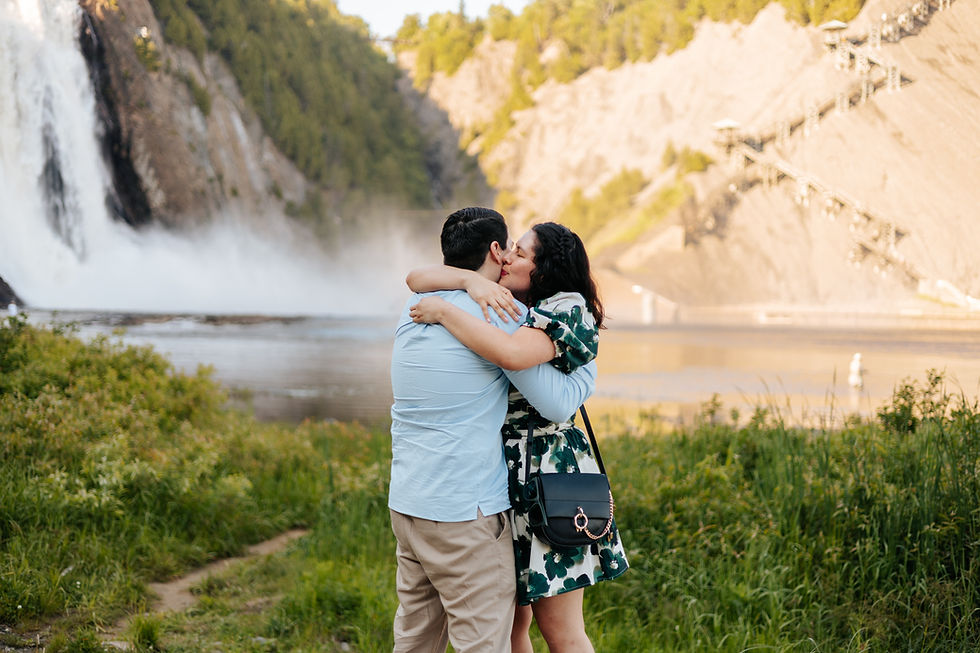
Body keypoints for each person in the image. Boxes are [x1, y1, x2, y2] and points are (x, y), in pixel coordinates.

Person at [408, 221, 629, 653]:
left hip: (549, 474)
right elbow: (416, 279)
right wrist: (468, 280)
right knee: (509, 625)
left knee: (560, 630)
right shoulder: (510, 298)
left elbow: (511, 354)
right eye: (510, 249)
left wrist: (446, 311)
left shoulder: (567, 309)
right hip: (502, 477)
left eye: (522, 254)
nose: (508, 257)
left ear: (545, 269)